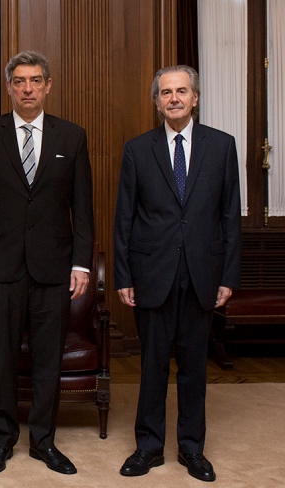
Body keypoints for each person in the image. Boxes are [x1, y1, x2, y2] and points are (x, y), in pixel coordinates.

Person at [0, 50, 94, 476]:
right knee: (0, 357)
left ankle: (43, 441)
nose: (27, 88)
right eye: (19, 81)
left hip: (54, 269)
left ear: (48, 85)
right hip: (0, 268)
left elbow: (83, 208)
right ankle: (2, 440)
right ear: (9, 87)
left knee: (46, 358)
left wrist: (81, 264)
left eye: (35, 80)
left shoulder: (71, 137)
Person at [114, 65, 241, 482]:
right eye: (166, 93)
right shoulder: (137, 149)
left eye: (181, 91)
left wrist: (228, 276)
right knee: (151, 367)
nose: (174, 98)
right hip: (152, 274)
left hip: (202, 274)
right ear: (156, 102)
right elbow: (124, 219)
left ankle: (192, 449)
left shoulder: (223, 147)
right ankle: (148, 447)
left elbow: (228, 217)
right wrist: (124, 276)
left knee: (193, 368)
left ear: (195, 97)